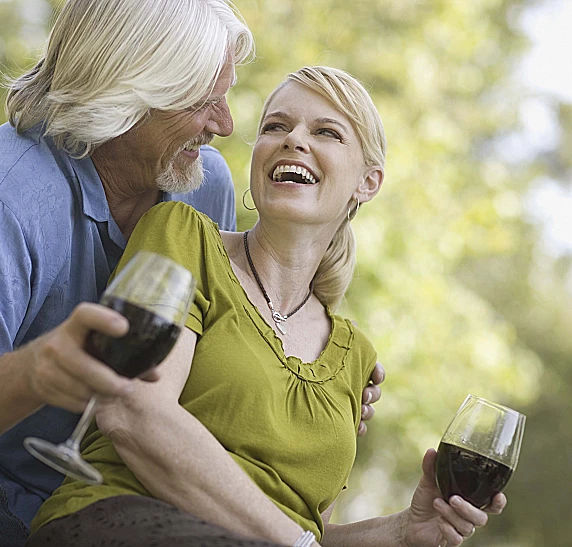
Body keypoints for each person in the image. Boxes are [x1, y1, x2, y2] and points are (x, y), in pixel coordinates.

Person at [0, 0, 382, 543]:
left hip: (150, 502)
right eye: (203, 102)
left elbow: (209, 350)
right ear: (130, 93)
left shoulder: (201, 182)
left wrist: (308, 399)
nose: (225, 125)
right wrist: (37, 371)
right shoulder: (7, 191)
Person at [26, 66, 506, 547]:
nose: (294, 140)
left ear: (367, 182)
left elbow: (299, 528)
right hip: (115, 520)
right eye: (276, 127)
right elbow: (132, 414)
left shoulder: (354, 355)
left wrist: (402, 530)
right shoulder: (183, 236)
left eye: (326, 132)